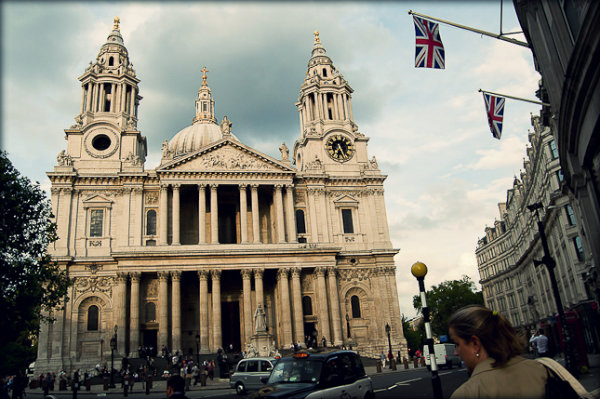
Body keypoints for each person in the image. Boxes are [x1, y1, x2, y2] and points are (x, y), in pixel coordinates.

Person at [448, 305, 549, 398]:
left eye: (457, 344)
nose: (456, 352)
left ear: (475, 344)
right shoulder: (546, 371)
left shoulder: (467, 393)